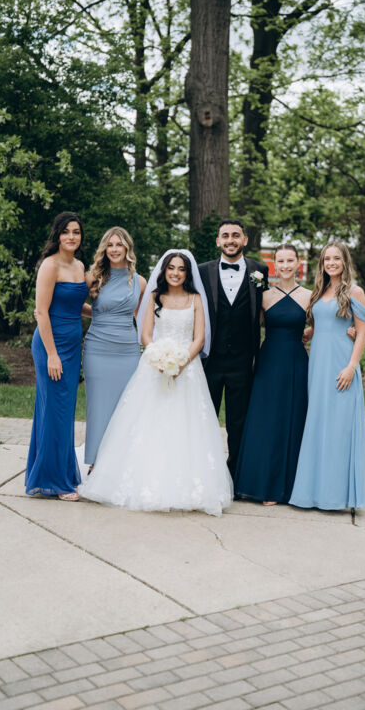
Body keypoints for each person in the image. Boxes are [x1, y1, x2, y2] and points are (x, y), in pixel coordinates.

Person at [78, 250, 233, 516]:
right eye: (171, 268)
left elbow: (199, 338)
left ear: (187, 273)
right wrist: (159, 358)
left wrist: (181, 363)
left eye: (181, 269)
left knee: (186, 425)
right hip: (154, 366)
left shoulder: (196, 299)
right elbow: (146, 334)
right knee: (147, 422)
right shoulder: (153, 297)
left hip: (188, 370)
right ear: (164, 271)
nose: (175, 273)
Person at [289, 241, 365, 516]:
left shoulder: (355, 292)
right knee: (317, 425)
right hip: (317, 365)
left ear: (345, 261)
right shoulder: (320, 291)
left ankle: (335, 495)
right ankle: (312, 492)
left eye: (336, 258)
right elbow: (320, 323)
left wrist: (351, 367)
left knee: (338, 429)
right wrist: (310, 333)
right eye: (327, 259)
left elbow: (361, 332)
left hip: (340, 365)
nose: (331, 263)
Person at [234, 244, 310, 505]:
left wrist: (349, 331)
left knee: (293, 418)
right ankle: (263, 484)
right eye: (281, 261)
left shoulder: (309, 296)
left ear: (298, 263)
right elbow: (249, 329)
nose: (285, 266)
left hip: (296, 362)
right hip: (269, 362)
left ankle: (289, 487)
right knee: (266, 419)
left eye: (290, 261)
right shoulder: (264, 295)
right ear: (274, 265)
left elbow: (322, 324)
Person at [25, 212, 88, 501]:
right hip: (51, 346)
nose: (71, 237)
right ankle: (55, 482)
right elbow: (41, 312)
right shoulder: (50, 265)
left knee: (63, 411)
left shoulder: (79, 266)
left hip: (72, 348)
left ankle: (56, 474)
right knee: (54, 411)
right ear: (58, 235)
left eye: (76, 232)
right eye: (66, 232)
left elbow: (76, 304)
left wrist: (105, 313)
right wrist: (52, 354)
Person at [198, 220, 268, 478]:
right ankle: (205, 473)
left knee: (239, 422)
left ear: (244, 240)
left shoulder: (260, 270)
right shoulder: (202, 271)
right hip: (209, 360)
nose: (230, 240)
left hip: (243, 361)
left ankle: (236, 474)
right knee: (205, 419)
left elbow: (265, 308)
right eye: (225, 235)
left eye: (235, 235)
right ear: (218, 241)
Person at [82, 227, 146, 471]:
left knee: (125, 406)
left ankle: (120, 462)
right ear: (104, 249)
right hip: (97, 348)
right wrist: (98, 314)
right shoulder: (92, 278)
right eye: (110, 245)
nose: (115, 249)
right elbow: (75, 305)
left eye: (119, 244)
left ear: (127, 248)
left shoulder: (140, 281)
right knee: (98, 405)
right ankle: (96, 462)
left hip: (128, 350)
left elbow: (142, 316)